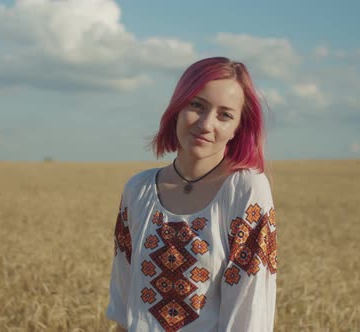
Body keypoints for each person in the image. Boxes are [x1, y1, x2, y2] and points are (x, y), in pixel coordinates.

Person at [106, 57, 277, 332]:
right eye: (197, 105)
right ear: (177, 108)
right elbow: (125, 304)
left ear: (238, 129)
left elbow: (250, 309)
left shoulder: (246, 189)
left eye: (225, 115)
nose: (206, 124)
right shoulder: (137, 190)